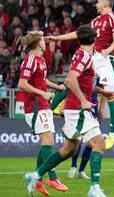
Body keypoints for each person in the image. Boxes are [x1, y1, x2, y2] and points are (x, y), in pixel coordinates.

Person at [25, 26, 108, 197]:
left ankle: (36, 175)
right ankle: (94, 188)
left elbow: (80, 81)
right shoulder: (84, 55)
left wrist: (100, 91)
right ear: (94, 39)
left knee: (68, 149)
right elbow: (70, 79)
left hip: (74, 108)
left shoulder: (83, 54)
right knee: (99, 143)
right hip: (78, 109)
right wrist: (84, 100)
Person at [47, 0, 114, 150]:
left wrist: (106, 52)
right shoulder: (95, 21)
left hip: (108, 60)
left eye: (99, 1)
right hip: (94, 56)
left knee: (111, 95)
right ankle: (50, 109)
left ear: (107, 3)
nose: (96, 3)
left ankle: (113, 135)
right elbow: (79, 34)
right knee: (73, 79)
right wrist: (58, 38)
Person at [18, 31, 68, 196]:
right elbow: (22, 84)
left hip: (43, 105)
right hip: (35, 106)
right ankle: (52, 177)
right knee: (48, 142)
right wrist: (42, 93)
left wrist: (56, 87)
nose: (45, 41)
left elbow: (42, 80)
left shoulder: (41, 60)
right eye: (43, 39)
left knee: (47, 143)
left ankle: (37, 179)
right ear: (37, 43)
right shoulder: (30, 60)